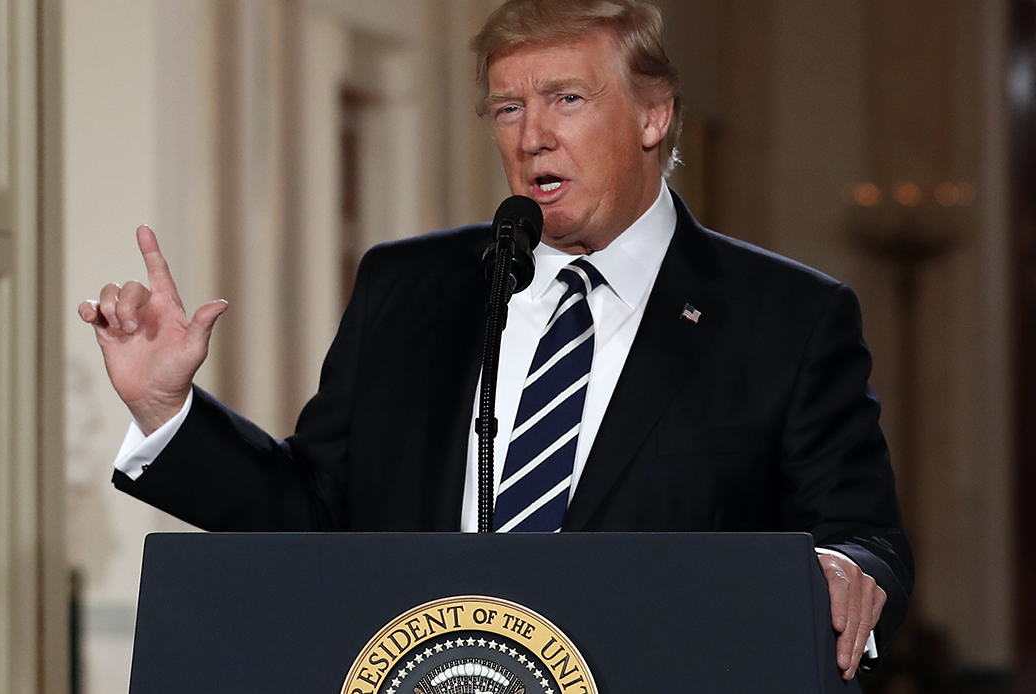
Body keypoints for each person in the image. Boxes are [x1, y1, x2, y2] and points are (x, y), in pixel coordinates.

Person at [79, 0, 912, 681]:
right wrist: (166, 408)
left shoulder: (785, 316)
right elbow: (314, 512)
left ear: (654, 115)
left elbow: (861, 532)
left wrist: (844, 570)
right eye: (509, 108)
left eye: (567, 99)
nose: (532, 135)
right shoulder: (409, 287)